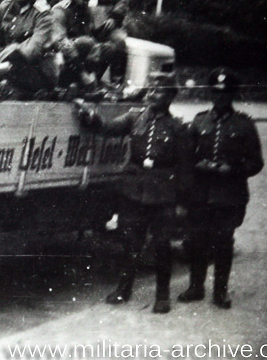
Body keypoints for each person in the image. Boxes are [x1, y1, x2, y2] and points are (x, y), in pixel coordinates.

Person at [75, 72, 192, 314]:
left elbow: (184, 168)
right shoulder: (134, 117)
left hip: (162, 194)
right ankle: (123, 289)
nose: (151, 94)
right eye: (150, 89)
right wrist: (90, 116)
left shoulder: (177, 127)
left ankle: (162, 296)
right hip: (133, 191)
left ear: (170, 96)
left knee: (161, 245)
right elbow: (108, 128)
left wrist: (181, 202)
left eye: (158, 91)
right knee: (129, 242)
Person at [179, 68, 264, 309]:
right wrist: (198, 165)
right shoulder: (199, 121)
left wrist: (233, 169)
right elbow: (186, 157)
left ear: (232, 95)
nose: (220, 98)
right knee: (197, 240)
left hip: (229, 195)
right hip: (201, 193)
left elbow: (256, 162)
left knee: (224, 242)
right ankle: (196, 287)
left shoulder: (244, 125)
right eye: (215, 93)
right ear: (210, 95)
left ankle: (220, 291)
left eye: (225, 94)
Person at [49, 0, 107, 94]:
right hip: (61, 60)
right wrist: (83, 72)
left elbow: (92, 36)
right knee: (84, 43)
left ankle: (91, 83)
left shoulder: (85, 10)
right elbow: (60, 42)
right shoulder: (60, 10)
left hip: (78, 60)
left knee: (108, 48)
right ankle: (77, 83)